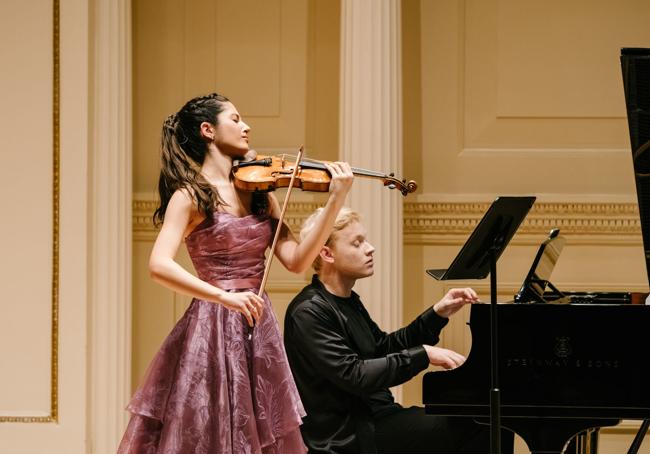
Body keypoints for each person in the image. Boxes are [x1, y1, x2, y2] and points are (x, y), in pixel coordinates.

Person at [118, 93, 353, 454]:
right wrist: (223, 296)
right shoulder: (192, 196)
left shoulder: (262, 195)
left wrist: (335, 200)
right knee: (208, 430)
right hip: (212, 323)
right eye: (236, 119)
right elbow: (158, 264)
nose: (246, 127)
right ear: (208, 130)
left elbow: (296, 260)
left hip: (258, 323)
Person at [284, 207, 513, 454]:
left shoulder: (347, 300)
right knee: (480, 424)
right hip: (351, 435)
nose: (370, 248)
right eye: (357, 243)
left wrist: (437, 314)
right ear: (327, 253)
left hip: (377, 418)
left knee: (489, 419)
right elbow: (354, 375)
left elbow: (382, 347)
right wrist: (424, 354)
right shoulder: (308, 311)